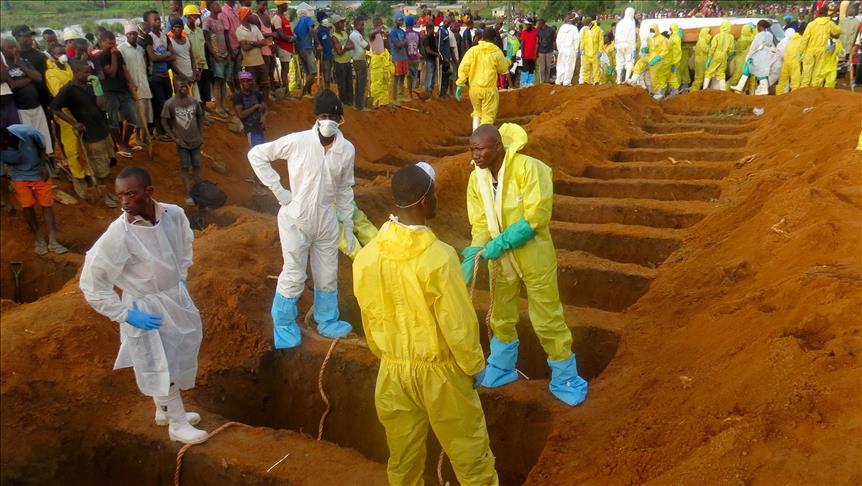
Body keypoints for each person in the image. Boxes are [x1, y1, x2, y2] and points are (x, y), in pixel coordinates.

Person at [352, 163, 498, 486]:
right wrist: (474, 366)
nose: (436, 201)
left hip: (392, 373)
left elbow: (369, 316)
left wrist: (389, 357)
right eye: (433, 196)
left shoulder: (367, 257)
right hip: (441, 375)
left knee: (403, 462)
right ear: (423, 202)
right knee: (472, 459)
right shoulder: (440, 258)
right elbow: (459, 326)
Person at [79, 166, 208, 445]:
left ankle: (164, 410)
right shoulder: (118, 234)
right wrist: (125, 314)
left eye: (131, 194)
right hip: (145, 306)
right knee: (159, 360)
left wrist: (181, 275)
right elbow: (92, 282)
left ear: (149, 192)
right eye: (120, 196)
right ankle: (177, 423)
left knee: (177, 351)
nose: (124, 201)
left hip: (174, 296)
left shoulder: (173, 214)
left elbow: (185, 244)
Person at [462, 124, 589, 407]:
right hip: (500, 259)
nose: (475, 155)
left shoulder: (530, 169)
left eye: (480, 148)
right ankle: (502, 365)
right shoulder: (477, 179)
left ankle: (565, 375)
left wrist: (503, 241)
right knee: (500, 313)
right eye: (472, 149)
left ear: (497, 147)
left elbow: (535, 218)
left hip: (533, 255)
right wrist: (474, 250)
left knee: (546, 315)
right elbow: (481, 221)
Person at [248, 89, 355, 348]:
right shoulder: (297, 142)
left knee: (327, 274)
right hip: (296, 217)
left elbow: (344, 188)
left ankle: (327, 321)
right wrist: (279, 190)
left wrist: (348, 226)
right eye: (323, 115)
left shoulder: (346, 149)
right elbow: (256, 155)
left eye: (332, 116)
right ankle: (283, 324)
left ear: (340, 119)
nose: (327, 120)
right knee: (295, 274)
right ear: (316, 117)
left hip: (326, 219)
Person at [51, 61, 119, 208]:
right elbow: (54, 108)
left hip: (103, 129)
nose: (88, 75)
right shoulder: (68, 89)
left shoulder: (89, 86)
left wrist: (98, 89)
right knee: (99, 167)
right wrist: (74, 123)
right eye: (85, 72)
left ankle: (106, 192)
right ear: (76, 72)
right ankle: (104, 195)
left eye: (89, 72)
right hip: (91, 135)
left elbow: (101, 105)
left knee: (107, 162)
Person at [0, 125, 68, 255]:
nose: (2, 148)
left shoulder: (27, 132)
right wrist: (7, 201)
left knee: (47, 205)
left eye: (2, 144)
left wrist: (43, 164)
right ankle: (39, 239)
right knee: (27, 206)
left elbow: (42, 145)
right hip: (19, 175)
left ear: (8, 137)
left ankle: (53, 242)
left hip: (39, 170)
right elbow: (1, 175)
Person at [1, 38, 53, 156]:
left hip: (37, 106)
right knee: (29, 141)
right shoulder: (4, 67)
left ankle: (49, 163)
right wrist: (30, 79)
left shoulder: (23, 62)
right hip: (21, 110)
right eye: (11, 47)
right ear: (2, 51)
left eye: (15, 46)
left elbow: (39, 78)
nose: (15, 49)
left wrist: (20, 65)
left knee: (44, 139)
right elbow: (12, 85)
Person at [94, 31, 140, 158]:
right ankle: (120, 145)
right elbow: (112, 73)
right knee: (113, 121)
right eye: (109, 43)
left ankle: (125, 143)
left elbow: (124, 69)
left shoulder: (118, 54)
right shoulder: (100, 57)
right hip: (109, 93)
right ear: (102, 43)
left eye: (114, 43)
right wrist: (113, 56)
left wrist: (131, 82)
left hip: (123, 90)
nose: (112, 46)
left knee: (133, 117)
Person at [161, 75, 204, 205]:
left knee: (196, 165)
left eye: (185, 86)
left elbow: (200, 117)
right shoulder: (170, 104)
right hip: (182, 143)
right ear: (175, 87)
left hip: (196, 140)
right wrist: (174, 138)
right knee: (185, 166)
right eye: (180, 86)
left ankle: (199, 192)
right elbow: (164, 121)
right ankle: (188, 194)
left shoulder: (194, 102)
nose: (183, 88)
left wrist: (201, 134)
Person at [455, 28, 509, 131]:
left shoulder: (473, 51)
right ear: (494, 39)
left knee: (477, 113)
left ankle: (475, 136)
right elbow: (503, 69)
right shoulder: (496, 52)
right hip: (489, 90)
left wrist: (460, 83)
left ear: (482, 37)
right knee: (487, 117)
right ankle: (483, 142)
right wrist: (508, 61)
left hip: (474, 90)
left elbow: (463, 67)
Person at [142, 10, 175, 139]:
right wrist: (166, 55)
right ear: (148, 22)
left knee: (168, 102)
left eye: (158, 19)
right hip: (155, 77)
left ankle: (168, 129)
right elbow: (153, 58)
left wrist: (164, 56)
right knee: (160, 104)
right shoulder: (148, 37)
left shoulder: (164, 36)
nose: (158, 21)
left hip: (166, 75)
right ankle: (161, 131)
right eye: (154, 19)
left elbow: (173, 56)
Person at [119, 22, 153, 141]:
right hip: (132, 86)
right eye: (130, 34)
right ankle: (137, 138)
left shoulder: (140, 49)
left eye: (134, 34)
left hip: (144, 84)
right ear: (126, 35)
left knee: (146, 112)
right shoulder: (121, 49)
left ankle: (145, 137)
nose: (132, 36)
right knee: (137, 114)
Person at [800, 6, 842, 87]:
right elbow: (838, 31)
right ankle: (815, 89)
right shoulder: (829, 23)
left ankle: (803, 88)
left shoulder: (811, 24)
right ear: (826, 13)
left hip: (809, 50)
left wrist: (800, 51)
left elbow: (805, 39)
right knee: (818, 71)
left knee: (807, 70)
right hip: (822, 50)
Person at [732, 20, 775, 95]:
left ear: (761, 27)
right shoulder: (769, 35)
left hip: (758, 55)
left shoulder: (760, 35)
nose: (757, 28)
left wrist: (749, 55)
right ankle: (740, 86)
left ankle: (764, 89)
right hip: (764, 55)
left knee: (758, 72)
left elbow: (755, 46)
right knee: (749, 71)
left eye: (758, 26)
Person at [11, 25, 50, 109]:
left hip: (41, 101)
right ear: (17, 37)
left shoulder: (40, 56)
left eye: (31, 36)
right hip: (19, 104)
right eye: (26, 36)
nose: (31, 39)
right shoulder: (10, 55)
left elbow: (47, 79)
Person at [235, 6, 270, 101]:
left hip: (259, 60)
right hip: (248, 62)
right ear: (245, 16)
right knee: (252, 85)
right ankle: (256, 105)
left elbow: (264, 42)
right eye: (249, 14)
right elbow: (245, 48)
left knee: (265, 83)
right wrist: (257, 43)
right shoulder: (239, 30)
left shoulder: (254, 27)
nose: (252, 15)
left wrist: (251, 42)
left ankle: (264, 105)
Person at [204, 1, 231, 117]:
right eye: (216, 5)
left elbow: (224, 37)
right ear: (210, 8)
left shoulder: (220, 20)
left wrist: (228, 52)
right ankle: (219, 108)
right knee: (218, 81)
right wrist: (214, 55)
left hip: (224, 54)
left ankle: (223, 106)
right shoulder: (207, 21)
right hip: (216, 56)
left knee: (223, 81)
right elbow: (207, 40)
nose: (219, 6)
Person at [184, 4, 211, 117]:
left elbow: (203, 48)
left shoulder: (200, 31)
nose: (197, 19)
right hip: (193, 68)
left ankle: (203, 115)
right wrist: (195, 69)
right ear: (188, 17)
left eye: (197, 16)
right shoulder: (184, 33)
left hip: (203, 66)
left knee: (204, 92)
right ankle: (198, 116)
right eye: (194, 16)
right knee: (196, 93)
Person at [233, 70, 267, 147]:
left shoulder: (256, 93)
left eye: (249, 81)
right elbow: (241, 114)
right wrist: (255, 107)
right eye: (245, 81)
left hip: (260, 127)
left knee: (262, 151)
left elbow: (265, 108)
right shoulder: (238, 96)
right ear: (241, 83)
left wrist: (263, 116)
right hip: (250, 129)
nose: (248, 83)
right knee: (258, 152)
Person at [271, 0, 295, 97]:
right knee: (285, 69)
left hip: (287, 46)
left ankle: (286, 91)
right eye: (286, 4)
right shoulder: (277, 18)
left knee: (286, 69)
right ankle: (287, 93)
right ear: (281, 5)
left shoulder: (282, 17)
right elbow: (280, 35)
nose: (287, 6)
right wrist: (292, 39)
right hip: (282, 46)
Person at [703, 20, 735, 90]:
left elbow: (712, 47)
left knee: (709, 72)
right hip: (724, 57)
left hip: (716, 56)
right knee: (721, 73)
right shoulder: (731, 37)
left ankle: (704, 89)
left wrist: (709, 58)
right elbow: (732, 50)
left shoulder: (717, 36)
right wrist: (728, 56)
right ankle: (723, 90)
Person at [369, 17, 393, 107]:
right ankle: (375, 102)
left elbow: (386, 46)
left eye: (382, 24)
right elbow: (372, 33)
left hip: (383, 61)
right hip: (376, 61)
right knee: (376, 82)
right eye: (379, 24)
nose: (381, 26)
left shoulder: (380, 34)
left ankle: (384, 102)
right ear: (375, 24)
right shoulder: (372, 34)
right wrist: (380, 28)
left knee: (384, 82)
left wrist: (386, 36)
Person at [330, 15, 353, 106]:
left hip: (347, 61)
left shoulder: (344, 33)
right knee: (342, 83)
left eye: (343, 22)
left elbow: (351, 45)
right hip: (340, 63)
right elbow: (339, 52)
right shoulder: (334, 37)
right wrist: (346, 47)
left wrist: (344, 47)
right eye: (341, 22)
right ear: (336, 24)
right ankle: (343, 101)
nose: (343, 23)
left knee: (349, 82)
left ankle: (350, 100)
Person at [293, 7, 317, 97]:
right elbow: (311, 30)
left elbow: (295, 38)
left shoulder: (296, 25)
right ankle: (304, 91)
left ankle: (308, 93)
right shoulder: (307, 19)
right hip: (307, 48)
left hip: (300, 49)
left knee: (308, 73)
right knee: (313, 73)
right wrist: (317, 43)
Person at [643, 24, 669, 99]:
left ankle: (659, 93)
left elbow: (665, 51)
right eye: (650, 31)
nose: (651, 32)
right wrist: (647, 50)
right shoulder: (650, 38)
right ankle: (654, 92)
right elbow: (651, 49)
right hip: (652, 60)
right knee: (651, 77)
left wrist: (658, 57)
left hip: (660, 61)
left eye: (653, 31)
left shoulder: (662, 39)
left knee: (657, 77)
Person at [350, 17, 370, 110]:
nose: (363, 27)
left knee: (358, 84)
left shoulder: (353, 34)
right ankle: (360, 106)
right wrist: (364, 36)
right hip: (360, 61)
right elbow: (368, 47)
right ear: (356, 25)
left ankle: (357, 104)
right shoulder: (357, 35)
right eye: (361, 25)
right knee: (361, 85)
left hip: (356, 60)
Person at [729, 23, 756, 93]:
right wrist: (754, 30)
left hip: (739, 59)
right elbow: (755, 38)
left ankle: (735, 91)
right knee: (738, 77)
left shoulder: (740, 39)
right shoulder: (747, 39)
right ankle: (728, 90)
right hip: (743, 60)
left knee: (741, 77)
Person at [389, 13, 408, 104]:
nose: (401, 21)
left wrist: (403, 43)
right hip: (396, 57)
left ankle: (401, 95)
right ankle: (394, 98)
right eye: (400, 20)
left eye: (402, 20)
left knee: (403, 76)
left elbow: (404, 44)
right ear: (395, 20)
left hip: (403, 56)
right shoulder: (392, 31)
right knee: (396, 77)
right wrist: (404, 42)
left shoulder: (402, 31)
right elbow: (398, 45)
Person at [554, 16, 579, 86]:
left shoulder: (562, 27)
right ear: (573, 21)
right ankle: (566, 82)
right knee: (569, 65)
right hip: (570, 49)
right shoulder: (574, 28)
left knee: (560, 65)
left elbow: (557, 40)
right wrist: (576, 50)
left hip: (562, 49)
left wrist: (559, 48)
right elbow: (576, 40)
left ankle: (558, 80)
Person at [615, 7, 637, 83]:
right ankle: (626, 79)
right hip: (628, 45)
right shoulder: (631, 22)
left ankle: (618, 80)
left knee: (619, 62)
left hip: (619, 45)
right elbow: (632, 36)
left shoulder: (620, 23)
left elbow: (616, 35)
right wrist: (634, 48)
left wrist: (616, 45)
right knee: (629, 62)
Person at [580, 16, 604, 85]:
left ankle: (596, 81)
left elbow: (601, 41)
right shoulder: (585, 30)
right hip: (587, 53)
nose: (586, 26)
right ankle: (586, 81)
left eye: (586, 25)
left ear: (590, 23)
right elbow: (583, 40)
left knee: (596, 68)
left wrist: (600, 51)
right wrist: (581, 48)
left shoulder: (598, 29)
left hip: (595, 52)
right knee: (586, 68)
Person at [690, 27, 712, 92]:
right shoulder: (702, 40)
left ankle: (695, 91)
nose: (709, 35)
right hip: (700, 61)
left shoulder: (702, 40)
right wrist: (712, 48)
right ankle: (693, 92)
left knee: (701, 77)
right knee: (699, 78)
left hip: (702, 60)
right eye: (708, 33)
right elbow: (706, 49)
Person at [405, 16, 422, 97]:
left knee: (409, 77)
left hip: (408, 58)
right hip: (416, 57)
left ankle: (410, 93)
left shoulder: (404, 34)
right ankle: (414, 92)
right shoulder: (418, 34)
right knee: (414, 76)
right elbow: (419, 46)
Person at [316, 18, 335, 91]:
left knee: (329, 72)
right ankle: (326, 90)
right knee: (326, 74)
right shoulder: (319, 31)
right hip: (324, 56)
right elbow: (317, 42)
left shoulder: (327, 31)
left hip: (330, 54)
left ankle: (327, 89)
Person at [519, 18, 538, 86]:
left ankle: (530, 82)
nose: (526, 26)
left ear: (531, 24)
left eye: (528, 25)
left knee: (532, 68)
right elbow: (522, 43)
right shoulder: (524, 32)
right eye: (526, 25)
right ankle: (523, 82)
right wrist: (522, 53)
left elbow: (537, 43)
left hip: (533, 54)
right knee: (525, 68)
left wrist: (535, 54)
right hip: (525, 54)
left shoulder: (536, 31)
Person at [421, 22, 438, 95]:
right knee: (429, 76)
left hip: (433, 59)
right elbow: (428, 50)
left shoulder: (432, 37)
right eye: (432, 29)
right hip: (429, 59)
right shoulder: (426, 38)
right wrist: (437, 54)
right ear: (429, 29)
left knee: (432, 77)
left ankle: (430, 93)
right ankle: (427, 92)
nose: (433, 30)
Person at [536, 19, 555, 84]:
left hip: (549, 50)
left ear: (542, 23)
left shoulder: (551, 30)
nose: (538, 25)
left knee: (548, 66)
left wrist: (553, 48)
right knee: (542, 67)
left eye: (539, 24)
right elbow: (537, 41)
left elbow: (554, 38)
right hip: (541, 51)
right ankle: (542, 81)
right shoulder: (538, 30)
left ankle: (547, 81)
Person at [667, 23, 684, 94]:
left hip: (673, 61)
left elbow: (675, 51)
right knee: (674, 75)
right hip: (674, 60)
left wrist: (673, 62)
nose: (669, 30)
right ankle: (673, 90)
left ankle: (674, 92)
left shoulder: (674, 38)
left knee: (673, 76)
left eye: (670, 28)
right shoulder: (676, 36)